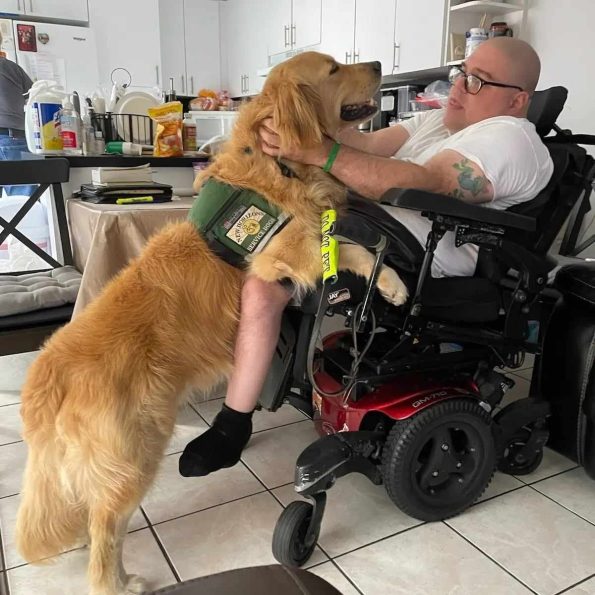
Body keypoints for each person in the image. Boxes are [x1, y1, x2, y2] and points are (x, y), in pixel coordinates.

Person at [178, 37, 553, 478]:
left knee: (265, 279)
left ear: (518, 99)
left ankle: (231, 424)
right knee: (233, 232)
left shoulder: (511, 138)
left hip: (415, 255)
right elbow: (364, 147)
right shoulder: (437, 121)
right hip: (364, 225)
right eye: (460, 73)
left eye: (476, 81)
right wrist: (287, 127)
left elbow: (427, 181)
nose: (457, 86)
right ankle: (218, 380)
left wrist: (318, 152)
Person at [0, 30, 35, 196]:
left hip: (9, 136)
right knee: (25, 204)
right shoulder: (11, 68)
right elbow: (35, 96)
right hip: (12, 137)